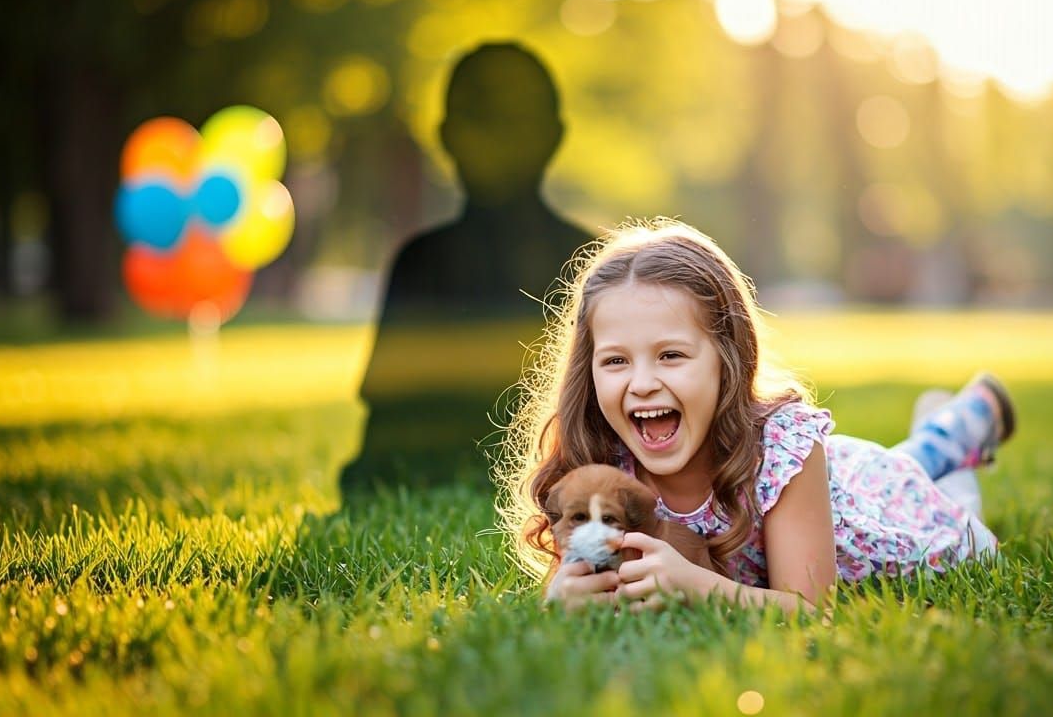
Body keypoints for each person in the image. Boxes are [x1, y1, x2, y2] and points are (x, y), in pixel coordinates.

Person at [496, 218, 1015, 611]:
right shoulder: (601, 462)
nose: (642, 382)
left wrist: (701, 587)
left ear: (729, 359)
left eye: (671, 355)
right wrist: (565, 591)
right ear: (588, 371)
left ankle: (959, 445)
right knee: (909, 460)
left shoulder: (782, 453)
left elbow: (811, 610)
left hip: (869, 504)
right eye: (615, 361)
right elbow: (585, 572)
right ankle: (950, 425)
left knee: (938, 504)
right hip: (833, 485)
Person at [341, 42, 593, 493]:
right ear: (447, 136)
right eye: (482, 118)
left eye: (513, 120)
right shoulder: (420, 265)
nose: (497, 140)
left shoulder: (596, 268)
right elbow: (383, 438)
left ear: (551, 136)